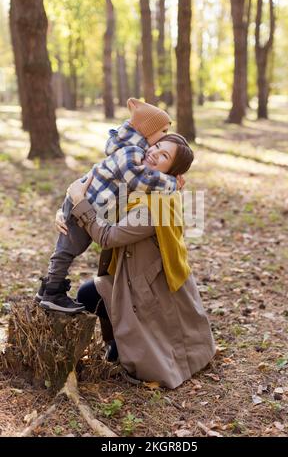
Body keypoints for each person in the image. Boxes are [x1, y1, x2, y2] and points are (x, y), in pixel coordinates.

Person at [56, 133, 216, 389]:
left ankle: (124, 346)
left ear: (170, 171)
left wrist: (79, 203)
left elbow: (106, 235)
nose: (154, 152)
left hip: (151, 289)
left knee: (88, 294)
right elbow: (97, 194)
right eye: (157, 146)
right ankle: (118, 344)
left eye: (164, 156)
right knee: (89, 293)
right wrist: (65, 211)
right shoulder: (137, 185)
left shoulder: (156, 207)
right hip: (133, 277)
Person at [36, 98, 183, 313]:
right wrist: (172, 183)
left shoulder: (134, 154)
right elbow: (139, 180)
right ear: (147, 131)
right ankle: (51, 292)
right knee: (68, 250)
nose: (162, 138)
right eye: (161, 134)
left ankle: (48, 288)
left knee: (69, 249)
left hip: (88, 206)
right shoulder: (132, 153)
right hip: (85, 206)